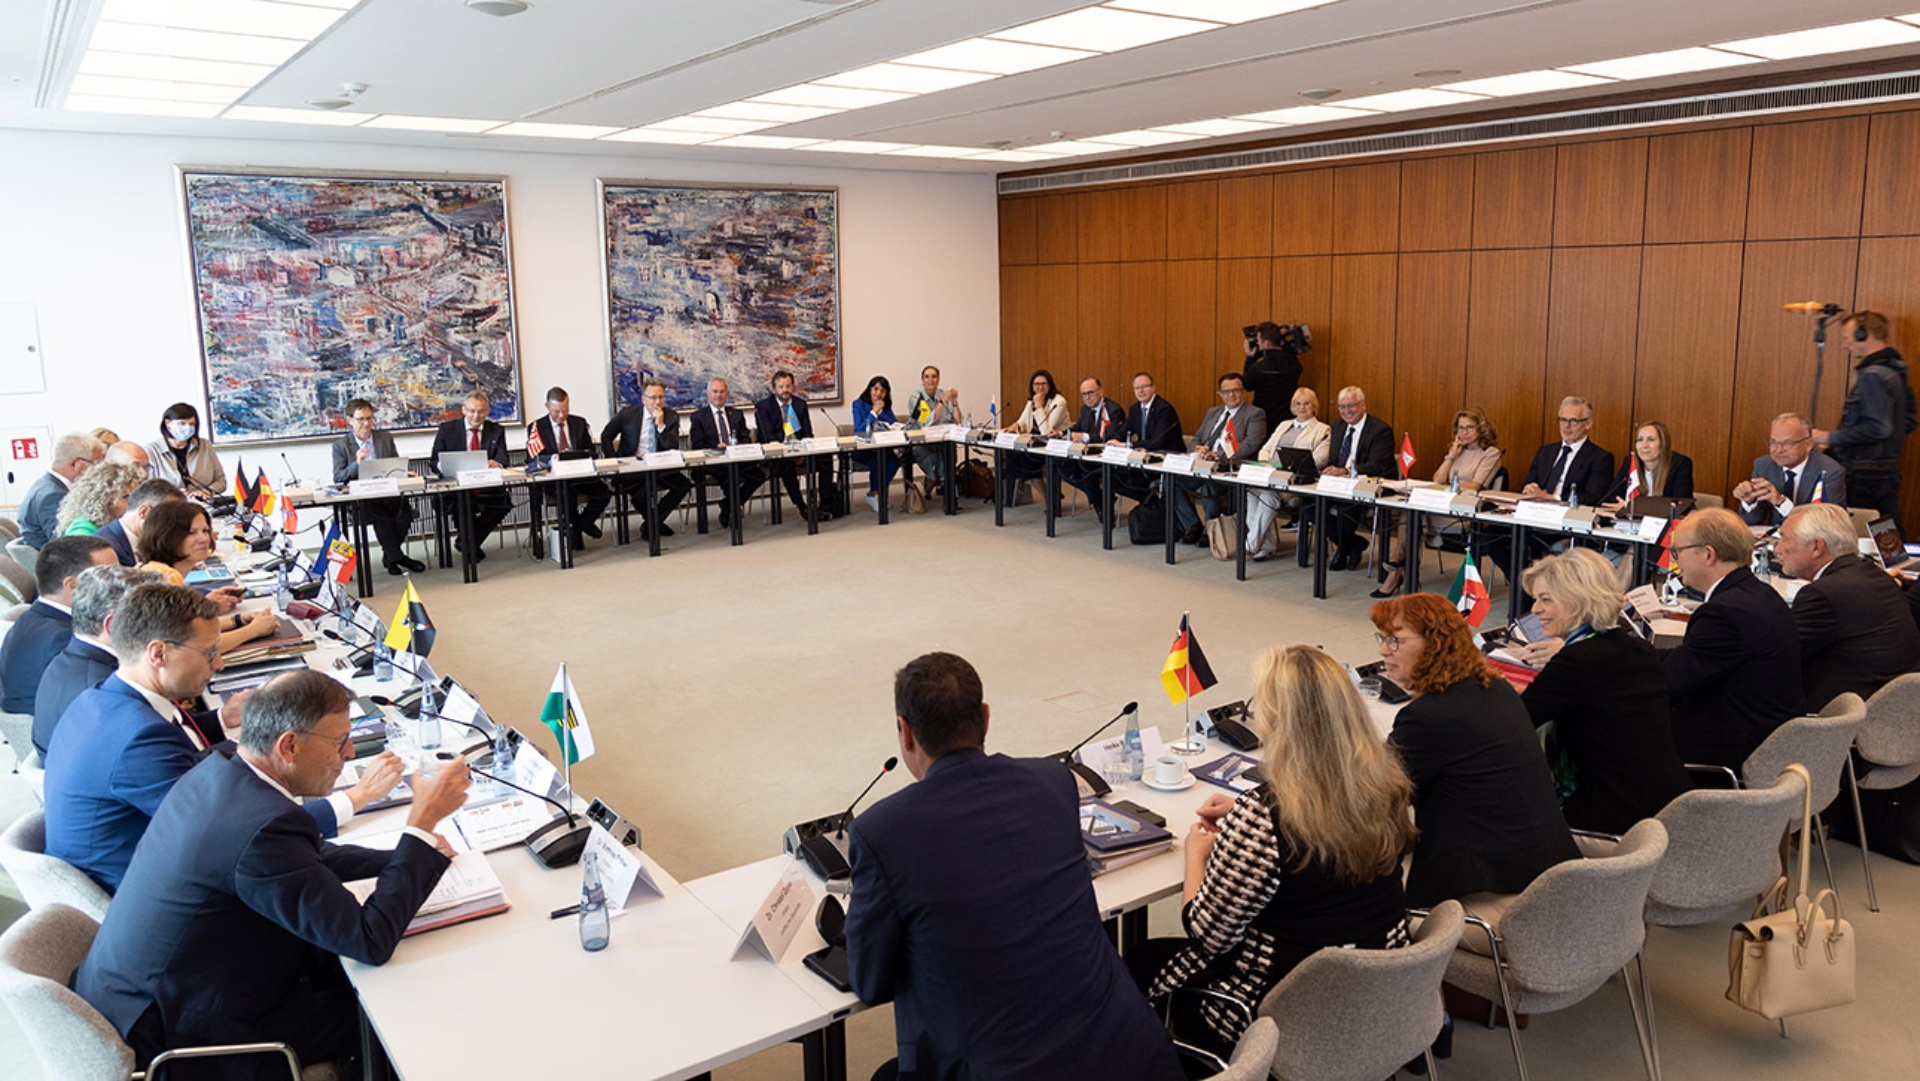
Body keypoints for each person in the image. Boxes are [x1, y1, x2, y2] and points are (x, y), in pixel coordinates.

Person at [74, 670, 464, 1078]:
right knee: (398, 1007)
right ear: (289, 745)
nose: (349, 754)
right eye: (339, 742)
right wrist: (420, 826)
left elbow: (307, 856)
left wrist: (408, 855)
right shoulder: (261, 827)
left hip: (167, 993)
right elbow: (368, 940)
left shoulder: (222, 769)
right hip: (188, 1038)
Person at [845, 652, 1183, 1081]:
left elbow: (869, 982)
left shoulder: (881, 832)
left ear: (905, 733)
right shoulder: (1053, 781)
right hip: (1132, 1056)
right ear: (985, 719)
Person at [1138, 645, 1416, 1062]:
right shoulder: (1386, 785)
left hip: (1277, 1013)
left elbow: (1207, 934)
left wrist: (1196, 854)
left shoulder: (1265, 818)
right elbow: (1324, 825)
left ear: (1277, 722)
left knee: (1133, 963)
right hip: (1377, 998)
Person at [43, 584, 397, 891]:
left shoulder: (108, 698)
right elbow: (236, 834)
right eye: (209, 653)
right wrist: (357, 797)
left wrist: (226, 725)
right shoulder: (140, 741)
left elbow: (196, 760)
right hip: (145, 891)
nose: (219, 664)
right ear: (158, 653)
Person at [1374, 593, 1578, 919]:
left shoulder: (1428, 717)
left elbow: (1371, 795)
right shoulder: (1495, 689)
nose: (1383, 650)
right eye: (1383, 639)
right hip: (1546, 870)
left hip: (1491, 887)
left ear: (1434, 644)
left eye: (1395, 641)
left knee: (1355, 890)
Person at [1515, 549, 1691, 833]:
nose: (1535, 609)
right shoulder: (1638, 648)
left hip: (1614, 821)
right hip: (1669, 809)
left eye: (1546, 599)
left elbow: (1516, 724)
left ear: (1580, 601)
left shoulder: (1576, 662)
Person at [1662, 508, 1804, 771]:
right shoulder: (1760, 593)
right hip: (1774, 739)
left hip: (1735, 751)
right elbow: (1692, 661)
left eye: (1677, 552)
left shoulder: (1724, 613)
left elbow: (1670, 682)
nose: (1675, 561)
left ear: (1707, 554)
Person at [1776, 503, 1920, 710]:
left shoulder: (1823, 593)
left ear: (1816, 547)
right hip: (1898, 710)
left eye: (1783, 539)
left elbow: (1780, 655)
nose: (1777, 548)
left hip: (1849, 715)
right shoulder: (1873, 573)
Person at [1375, 407, 1507, 597]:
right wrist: (1450, 457)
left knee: (1412, 517)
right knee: (1409, 513)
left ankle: (1396, 568)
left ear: (1481, 429)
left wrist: (1449, 487)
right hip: (1442, 507)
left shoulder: (1491, 454)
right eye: (1460, 428)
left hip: (1464, 513)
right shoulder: (1457, 451)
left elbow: (1475, 485)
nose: (1464, 433)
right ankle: (1397, 568)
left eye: (1469, 428)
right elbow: (1437, 479)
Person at [33, 564, 155, 756]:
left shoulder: (69, 659)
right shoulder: (106, 690)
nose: (161, 629)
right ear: (114, 625)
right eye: (152, 619)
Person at [134, 500, 277, 655]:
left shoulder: (152, 568)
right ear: (166, 536)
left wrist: (237, 620)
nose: (203, 539)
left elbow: (187, 628)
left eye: (205, 530)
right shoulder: (167, 577)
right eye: (192, 532)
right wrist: (254, 630)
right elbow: (199, 647)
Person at [1815, 311, 1915, 530]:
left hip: (1863, 474)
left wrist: (1831, 437)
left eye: (1847, 339)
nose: (1844, 346)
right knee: (1887, 537)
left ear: (1863, 335)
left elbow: (1878, 427)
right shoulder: (1895, 370)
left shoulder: (1872, 375)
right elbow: (1909, 420)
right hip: (1883, 471)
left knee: (1860, 535)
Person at [0, 535, 117, 714]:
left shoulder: (29, 618)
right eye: (110, 575)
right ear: (73, 585)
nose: (121, 582)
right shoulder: (66, 637)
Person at [329, 398, 425, 576]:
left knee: (404, 513)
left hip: (388, 492)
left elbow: (395, 465)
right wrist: (357, 463)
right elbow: (339, 477)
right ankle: (397, 557)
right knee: (381, 517)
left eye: (369, 418)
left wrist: (406, 473)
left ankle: (390, 557)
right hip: (362, 499)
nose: (366, 424)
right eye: (360, 419)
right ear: (349, 420)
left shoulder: (385, 438)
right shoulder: (340, 446)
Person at [1173, 372, 1268, 546]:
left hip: (1230, 468)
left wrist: (1218, 456)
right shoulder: (1213, 412)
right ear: (1220, 394)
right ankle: (1193, 525)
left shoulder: (1254, 413)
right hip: (1202, 464)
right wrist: (1198, 448)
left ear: (1244, 391)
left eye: (1236, 390)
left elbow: (1251, 444)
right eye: (1226, 391)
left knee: (1210, 484)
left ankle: (1211, 531)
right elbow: (1197, 438)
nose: (1231, 395)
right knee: (1171, 481)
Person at [1243, 387, 1332, 561]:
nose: (1302, 407)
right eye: (1298, 403)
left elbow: (1320, 459)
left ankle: (1251, 544)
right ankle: (1266, 545)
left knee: (1268, 495)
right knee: (1252, 492)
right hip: (1270, 476)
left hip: (1298, 483)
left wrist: (1288, 467)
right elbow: (1266, 449)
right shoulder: (1284, 425)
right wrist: (1266, 464)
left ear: (1314, 406)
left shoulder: (1323, 430)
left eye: (1306, 403)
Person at [602, 378, 694, 541]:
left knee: (683, 485)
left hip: (660, 467)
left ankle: (651, 524)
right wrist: (613, 460)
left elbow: (671, 447)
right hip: (633, 468)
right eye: (653, 398)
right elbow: (606, 436)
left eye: (661, 397)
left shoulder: (671, 416)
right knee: (641, 494)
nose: (657, 402)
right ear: (643, 399)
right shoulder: (627, 414)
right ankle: (655, 522)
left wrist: (660, 425)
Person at [429, 392, 514, 559]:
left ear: (488, 411)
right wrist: (446, 467)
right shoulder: (447, 430)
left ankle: (467, 542)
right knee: (462, 502)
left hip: (486, 486)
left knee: (504, 503)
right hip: (457, 487)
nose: (476, 416)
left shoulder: (496, 430)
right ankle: (471, 544)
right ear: (463, 410)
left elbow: (503, 458)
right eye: (472, 411)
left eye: (481, 411)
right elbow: (434, 461)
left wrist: (497, 464)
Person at [528, 386, 612, 549]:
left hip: (581, 475)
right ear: (547, 407)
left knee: (604, 493)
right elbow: (533, 459)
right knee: (567, 496)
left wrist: (579, 456)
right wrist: (553, 458)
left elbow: (592, 452)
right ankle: (576, 537)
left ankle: (581, 525)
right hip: (555, 480)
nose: (561, 416)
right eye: (556, 411)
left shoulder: (579, 423)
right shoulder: (537, 427)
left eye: (565, 411)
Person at [1732, 412, 1847, 528]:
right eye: (1773, 442)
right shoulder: (1764, 465)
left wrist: (1781, 502)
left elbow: (1830, 525)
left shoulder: (1831, 472)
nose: (1778, 450)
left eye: (1787, 443)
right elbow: (1751, 522)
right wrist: (1750, 502)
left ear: (1808, 444)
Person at [1324, 385, 1395, 571]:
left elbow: (1378, 466)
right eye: (1342, 407)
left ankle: (1343, 551)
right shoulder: (1338, 425)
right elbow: (1333, 459)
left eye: (1351, 406)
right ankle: (1354, 544)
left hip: (1368, 487)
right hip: (1338, 484)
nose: (1346, 411)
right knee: (1309, 505)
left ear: (1363, 405)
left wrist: (1345, 471)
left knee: (1343, 509)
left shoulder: (1380, 431)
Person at [754, 369, 841, 519]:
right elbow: (769, 437)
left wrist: (802, 451)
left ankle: (825, 503)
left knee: (826, 458)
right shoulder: (764, 407)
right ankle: (802, 506)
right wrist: (790, 453)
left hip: (800, 451)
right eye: (781, 387)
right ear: (774, 389)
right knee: (786, 466)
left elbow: (808, 434)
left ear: (793, 387)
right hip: (777, 455)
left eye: (788, 386)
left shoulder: (800, 404)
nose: (785, 390)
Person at [687, 377, 765, 529]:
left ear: (727, 394)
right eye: (715, 391)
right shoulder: (698, 417)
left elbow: (745, 438)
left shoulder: (736, 414)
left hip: (736, 459)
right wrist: (717, 447)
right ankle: (733, 514)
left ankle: (727, 505)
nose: (718, 395)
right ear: (708, 394)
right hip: (712, 463)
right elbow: (697, 444)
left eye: (722, 392)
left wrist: (735, 447)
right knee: (731, 478)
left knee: (759, 475)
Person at [1519, 396, 1615, 506]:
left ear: (1588, 423)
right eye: (1563, 420)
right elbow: (1526, 484)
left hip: (1570, 517)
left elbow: (1593, 498)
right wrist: (1529, 489)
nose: (1566, 426)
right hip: (1535, 511)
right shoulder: (1545, 452)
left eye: (1573, 421)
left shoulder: (1600, 458)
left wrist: (1551, 498)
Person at [997, 368, 1070, 511]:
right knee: (1013, 454)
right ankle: (1047, 495)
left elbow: (1046, 431)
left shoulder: (1059, 402)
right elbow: (1023, 422)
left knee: (1025, 459)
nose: (1039, 388)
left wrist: (1038, 406)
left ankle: (1047, 497)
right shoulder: (1031, 401)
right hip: (1035, 444)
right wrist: (1015, 426)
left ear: (1050, 386)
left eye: (1043, 384)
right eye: (1036, 384)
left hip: (1054, 445)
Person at [1110, 372, 1186, 508]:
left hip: (1166, 457)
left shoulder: (1164, 409)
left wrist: (1126, 445)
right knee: (1113, 476)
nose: (1141, 391)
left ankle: (1152, 504)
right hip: (1145, 457)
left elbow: (1157, 441)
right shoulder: (1135, 409)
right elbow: (1125, 430)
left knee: (1132, 476)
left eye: (1144, 386)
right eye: (1137, 388)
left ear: (1153, 388)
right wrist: (1114, 441)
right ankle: (1149, 503)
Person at [18, 430, 104, 547]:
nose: (98, 471)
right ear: (75, 463)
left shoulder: (44, 485)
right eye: (96, 464)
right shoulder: (53, 496)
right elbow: (66, 545)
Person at [1063, 376, 1128, 521]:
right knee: (1061, 467)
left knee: (1086, 469)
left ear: (1100, 391)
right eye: (1084, 394)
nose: (1087, 398)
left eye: (1090, 393)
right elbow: (1077, 427)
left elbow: (1109, 437)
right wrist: (1062, 434)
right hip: (1086, 455)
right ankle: (1101, 498)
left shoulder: (1114, 410)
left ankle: (1100, 503)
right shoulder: (1085, 410)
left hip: (1106, 457)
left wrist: (1085, 437)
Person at [901, 365, 961, 493]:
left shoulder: (942, 394)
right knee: (929, 456)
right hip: (920, 442)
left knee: (950, 451)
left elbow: (957, 421)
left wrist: (955, 402)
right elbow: (927, 422)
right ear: (922, 380)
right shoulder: (916, 398)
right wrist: (942, 402)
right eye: (927, 377)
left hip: (940, 439)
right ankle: (934, 478)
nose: (931, 380)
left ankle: (940, 481)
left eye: (934, 377)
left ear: (938, 379)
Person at [144, 403, 225, 496]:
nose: (187, 428)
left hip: (203, 506)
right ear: (167, 424)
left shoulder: (205, 445)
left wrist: (206, 491)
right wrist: (171, 495)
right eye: (182, 423)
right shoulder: (151, 450)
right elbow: (145, 491)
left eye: (191, 424)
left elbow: (221, 481)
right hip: (168, 507)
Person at [1606, 420, 1693, 506]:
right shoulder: (1630, 462)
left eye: (1651, 440)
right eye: (1640, 440)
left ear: (1663, 444)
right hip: (1629, 520)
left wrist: (1633, 508)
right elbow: (1611, 498)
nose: (1644, 445)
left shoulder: (1680, 464)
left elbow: (1680, 505)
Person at [97, 479, 182, 566]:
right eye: (169, 519)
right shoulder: (106, 548)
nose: (173, 527)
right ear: (144, 512)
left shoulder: (155, 541)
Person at [851, 375, 902, 514]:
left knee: (894, 461)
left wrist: (896, 426)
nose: (878, 393)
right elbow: (859, 430)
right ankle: (876, 494)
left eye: (883, 391)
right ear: (869, 389)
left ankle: (875, 493)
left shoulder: (886, 406)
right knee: (878, 462)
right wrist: (874, 412)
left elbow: (892, 423)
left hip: (882, 447)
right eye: (875, 389)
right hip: (862, 448)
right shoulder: (858, 404)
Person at [55, 461, 143, 537]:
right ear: (105, 498)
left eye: (137, 496)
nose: (135, 502)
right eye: (126, 497)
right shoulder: (83, 529)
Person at [1240, 321, 1304, 424]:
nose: (1258, 343)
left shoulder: (1259, 367)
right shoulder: (1294, 363)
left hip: (1265, 419)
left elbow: (1247, 385)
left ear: (1267, 343)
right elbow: (1283, 358)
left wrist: (1250, 358)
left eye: (1259, 340)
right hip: (1289, 418)